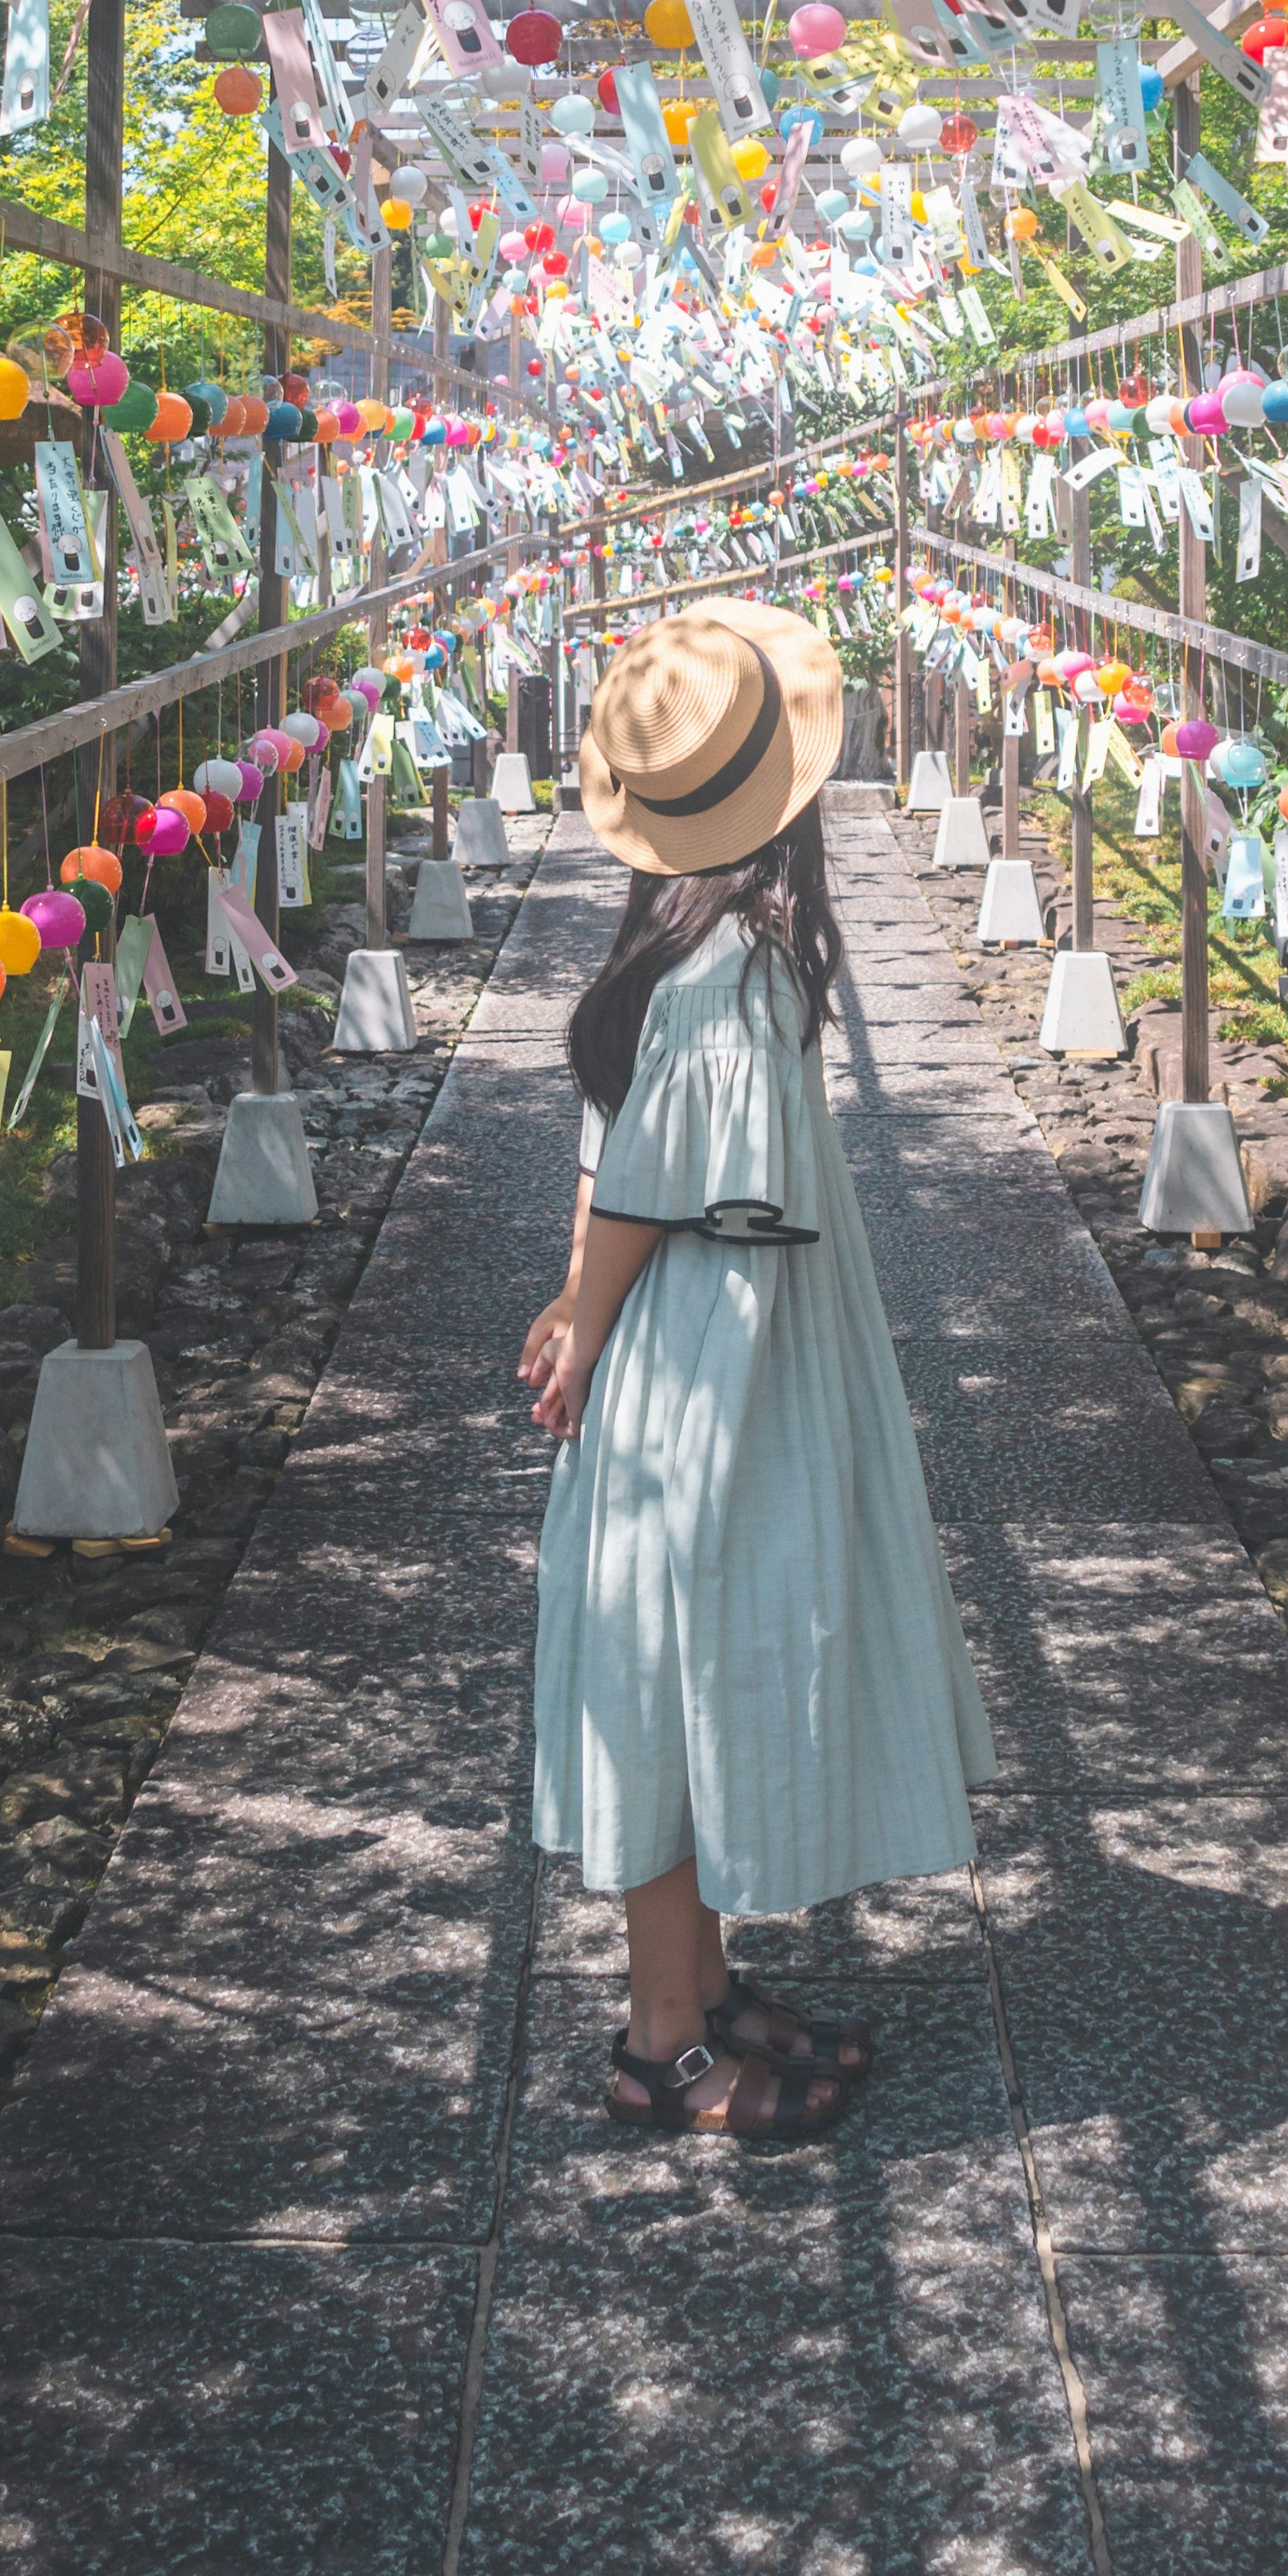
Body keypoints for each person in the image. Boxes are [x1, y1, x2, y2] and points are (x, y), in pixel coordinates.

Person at [520, 597, 994, 2140]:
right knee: (683, 1649)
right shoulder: (740, 965)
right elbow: (657, 1180)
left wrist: (578, 1292)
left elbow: (611, 1156)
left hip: (706, 1327)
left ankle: (703, 1984)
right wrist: (587, 1315)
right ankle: (663, 2038)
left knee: (685, 1645)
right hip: (713, 1355)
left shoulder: (681, 944)